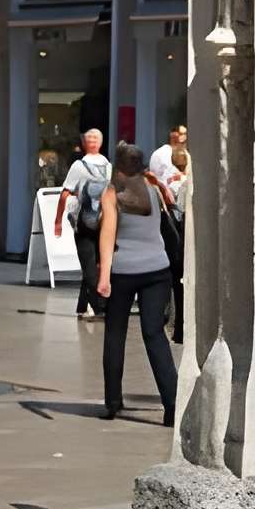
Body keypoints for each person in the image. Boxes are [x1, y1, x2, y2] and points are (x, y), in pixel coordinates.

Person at [95, 143, 179, 426]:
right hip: (157, 268)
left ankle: (112, 402)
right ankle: (172, 404)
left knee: (115, 333)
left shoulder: (112, 193)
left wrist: (104, 276)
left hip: (124, 271)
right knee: (154, 334)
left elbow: (107, 235)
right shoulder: (154, 188)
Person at [55, 129, 113, 320]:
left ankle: (92, 306)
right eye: (91, 139)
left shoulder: (80, 166)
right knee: (96, 263)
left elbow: (65, 193)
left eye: (93, 139)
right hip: (104, 221)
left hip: (85, 221)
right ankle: (91, 306)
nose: (92, 142)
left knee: (89, 264)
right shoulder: (108, 166)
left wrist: (58, 221)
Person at [167, 143, 191, 344]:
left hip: (182, 243)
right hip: (185, 242)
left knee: (179, 288)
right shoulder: (185, 183)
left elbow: (179, 211)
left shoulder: (180, 185)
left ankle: (179, 329)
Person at [148, 122, 188, 194]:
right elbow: (171, 182)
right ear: (173, 135)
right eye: (182, 134)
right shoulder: (162, 153)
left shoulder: (183, 153)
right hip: (168, 196)